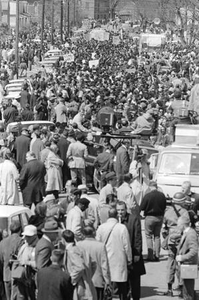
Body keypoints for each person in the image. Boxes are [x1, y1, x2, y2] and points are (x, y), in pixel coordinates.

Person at [96, 208, 132, 300]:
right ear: (117, 216)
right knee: (122, 287)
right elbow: (126, 245)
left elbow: (98, 244)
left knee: (108, 287)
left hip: (106, 259)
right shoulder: (122, 227)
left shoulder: (101, 227)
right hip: (119, 260)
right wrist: (129, 259)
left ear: (108, 216)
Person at [117, 201, 146, 300]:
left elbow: (138, 237)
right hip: (121, 255)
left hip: (133, 253)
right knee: (123, 281)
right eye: (118, 210)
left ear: (126, 210)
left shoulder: (133, 219)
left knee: (135, 281)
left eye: (122, 210)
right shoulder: (115, 220)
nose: (120, 212)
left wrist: (137, 253)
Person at [163, 192, 189, 296]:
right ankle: (182, 288)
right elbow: (187, 227)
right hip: (181, 239)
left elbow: (164, 228)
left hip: (171, 239)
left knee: (170, 263)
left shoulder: (168, 212)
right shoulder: (184, 212)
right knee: (181, 263)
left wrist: (167, 237)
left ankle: (169, 289)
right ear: (182, 201)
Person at [62, 229, 97, 300]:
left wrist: (71, 280)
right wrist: (88, 275)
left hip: (78, 286)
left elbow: (80, 267)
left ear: (63, 239)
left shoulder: (71, 251)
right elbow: (93, 264)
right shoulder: (80, 248)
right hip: (86, 283)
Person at [78, 226, 111, 300]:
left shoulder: (79, 245)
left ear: (83, 234)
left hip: (84, 280)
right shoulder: (101, 246)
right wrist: (107, 281)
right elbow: (104, 265)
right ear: (94, 233)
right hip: (98, 280)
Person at [140, 181, 166, 261]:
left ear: (150, 187)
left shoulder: (147, 196)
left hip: (150, 217)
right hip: (159, 217)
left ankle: (150, 256)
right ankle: (157, 255)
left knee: (148, 236)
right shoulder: (162, 195)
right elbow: (165, 206)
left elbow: (142, 207)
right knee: (157, 236)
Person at [12, 225, 38, 300]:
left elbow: (38, 264)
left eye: (28, 236)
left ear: (34, 236)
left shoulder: (38, 247)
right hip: (21, 280)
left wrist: (27, 262)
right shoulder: (24, 246)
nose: (26, 238)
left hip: (31, 282)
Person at [176, 214, 198, 300]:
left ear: (182, 225)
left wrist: (182, 257)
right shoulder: (187, 232)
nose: (178, 227)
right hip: (186, 265)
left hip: (189, 265)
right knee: (187, 289)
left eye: (178, 225)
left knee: (188, 291)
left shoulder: (191, 234)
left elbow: (194, 251)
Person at [0, 221, 22, 300]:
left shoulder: (2, 242)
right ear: (20, 230)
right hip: (18, 275)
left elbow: (1, 260)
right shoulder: (21, 241)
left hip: (6, 275)